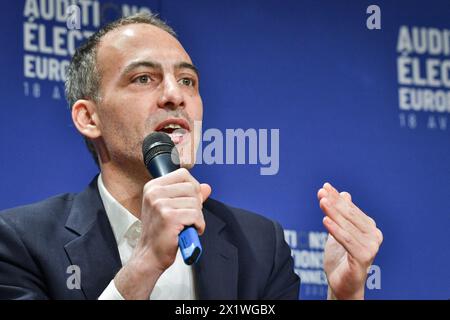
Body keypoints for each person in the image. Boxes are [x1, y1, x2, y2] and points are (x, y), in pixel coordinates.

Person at [0, 13, 382, 300]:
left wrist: (345, 295)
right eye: (143, 78)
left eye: (188, 81)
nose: (174, 95)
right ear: (89, 117)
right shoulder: (21, 242)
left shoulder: (259, 244)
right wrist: (144, 265)